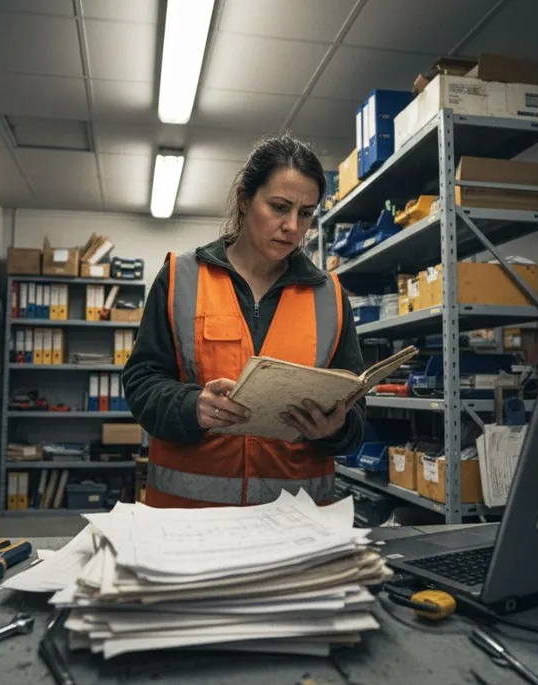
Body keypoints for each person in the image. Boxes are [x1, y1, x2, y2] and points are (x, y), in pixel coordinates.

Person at [122, 134, 366, 508]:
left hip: (296, 521)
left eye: (305, 213)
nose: (292, 227)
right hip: (188, 519)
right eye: (279, 207)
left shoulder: (329, 295)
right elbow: (142, 384)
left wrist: (337, 428)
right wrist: (193, 406)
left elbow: (355, 413)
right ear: (244, 199)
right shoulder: (180, 277)